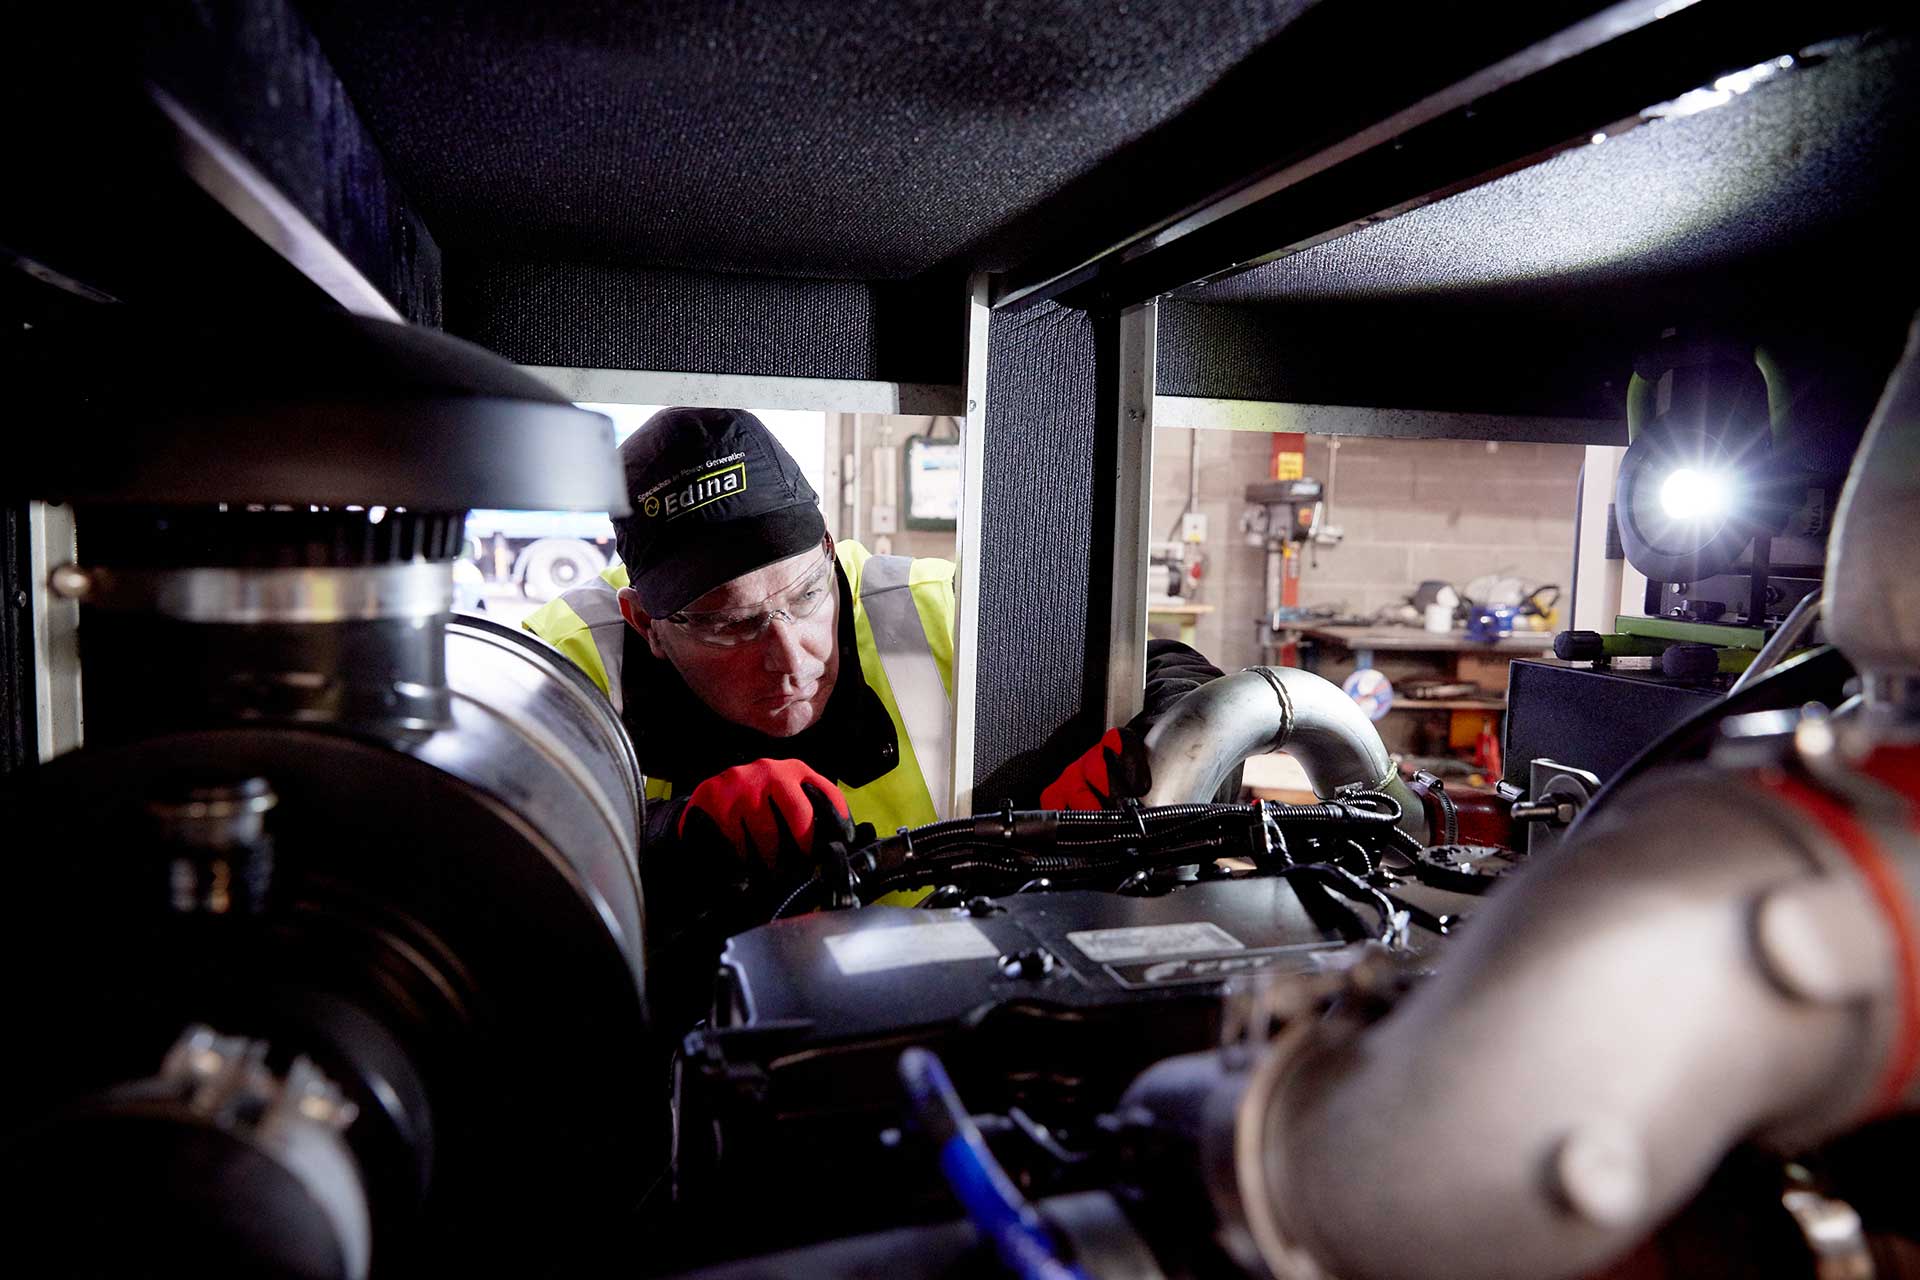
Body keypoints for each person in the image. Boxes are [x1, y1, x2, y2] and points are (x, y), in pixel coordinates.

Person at [523, 407, 1223, 1017]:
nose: (789, 654)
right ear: (644, 621)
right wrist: (673, 835)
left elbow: (1174, 669)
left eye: (804, 596)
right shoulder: (569, 661)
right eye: (728, 626)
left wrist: (1146, 757)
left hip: (957, 1008)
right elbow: (490, 859)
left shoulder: (925, 610)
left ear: (829, 553)